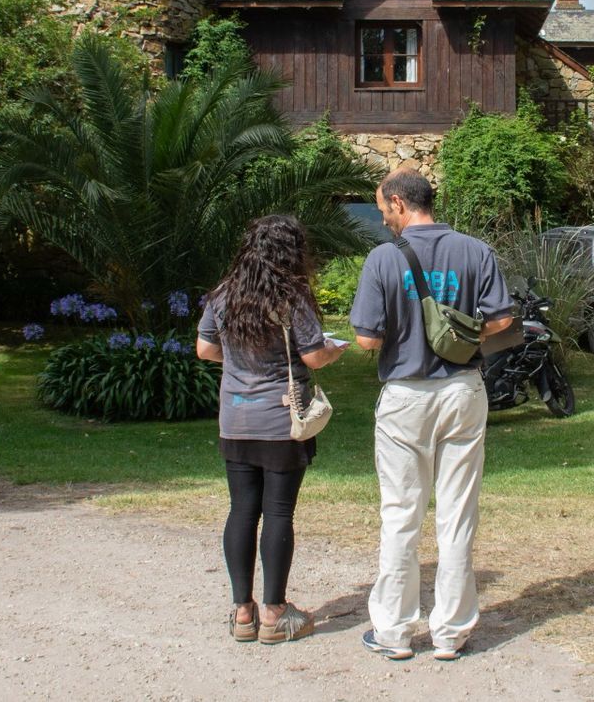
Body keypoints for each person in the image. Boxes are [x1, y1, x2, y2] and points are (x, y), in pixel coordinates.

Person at [349, 170, 516, 661]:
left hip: (405, 394)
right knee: (457, 514)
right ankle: (451, 633)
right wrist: (463, 338)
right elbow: (503, 319)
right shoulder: (475, 251)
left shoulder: (383, 258)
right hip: (463, 390)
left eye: (383, 210)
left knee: (401, 514)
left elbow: (367, 339)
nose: (384, 219)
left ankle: (395, 634)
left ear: (399, 203)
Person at [196, 214, 347, 645]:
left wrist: (244, 361)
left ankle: (241, 611)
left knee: (242, 510)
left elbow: (206, 349)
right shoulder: (292, 296)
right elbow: (314, 357)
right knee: (278, 512)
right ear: (293, 251)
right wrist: (334, 350)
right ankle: (274, 612)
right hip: (282, 421)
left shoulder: (224, 294)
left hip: (236, 418)